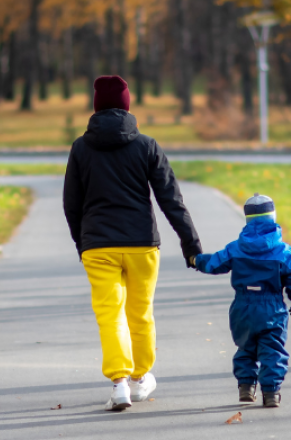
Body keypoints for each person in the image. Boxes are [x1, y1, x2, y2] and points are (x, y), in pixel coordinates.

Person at [63, 75, 202, 411]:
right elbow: (171, 199)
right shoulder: (146, 145)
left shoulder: (81, 148)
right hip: (142, 244)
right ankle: (141, 379)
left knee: (109, 315)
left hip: (99, 245)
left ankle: (119, 383)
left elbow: (71, 203)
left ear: (96, 106)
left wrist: (83, 244)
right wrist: (191, 244)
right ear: (127, 104)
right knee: (140, 313)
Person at [191, 193, 291, 408]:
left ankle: (246, 387)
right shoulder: (284, 252)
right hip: (272, 308)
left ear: (248, 219)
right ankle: (271, 393)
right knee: (272, 350)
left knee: (245, 347)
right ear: (273, 217)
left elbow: (214, 264)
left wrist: (196, 259)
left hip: (242, 307)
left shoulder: (236, 248)